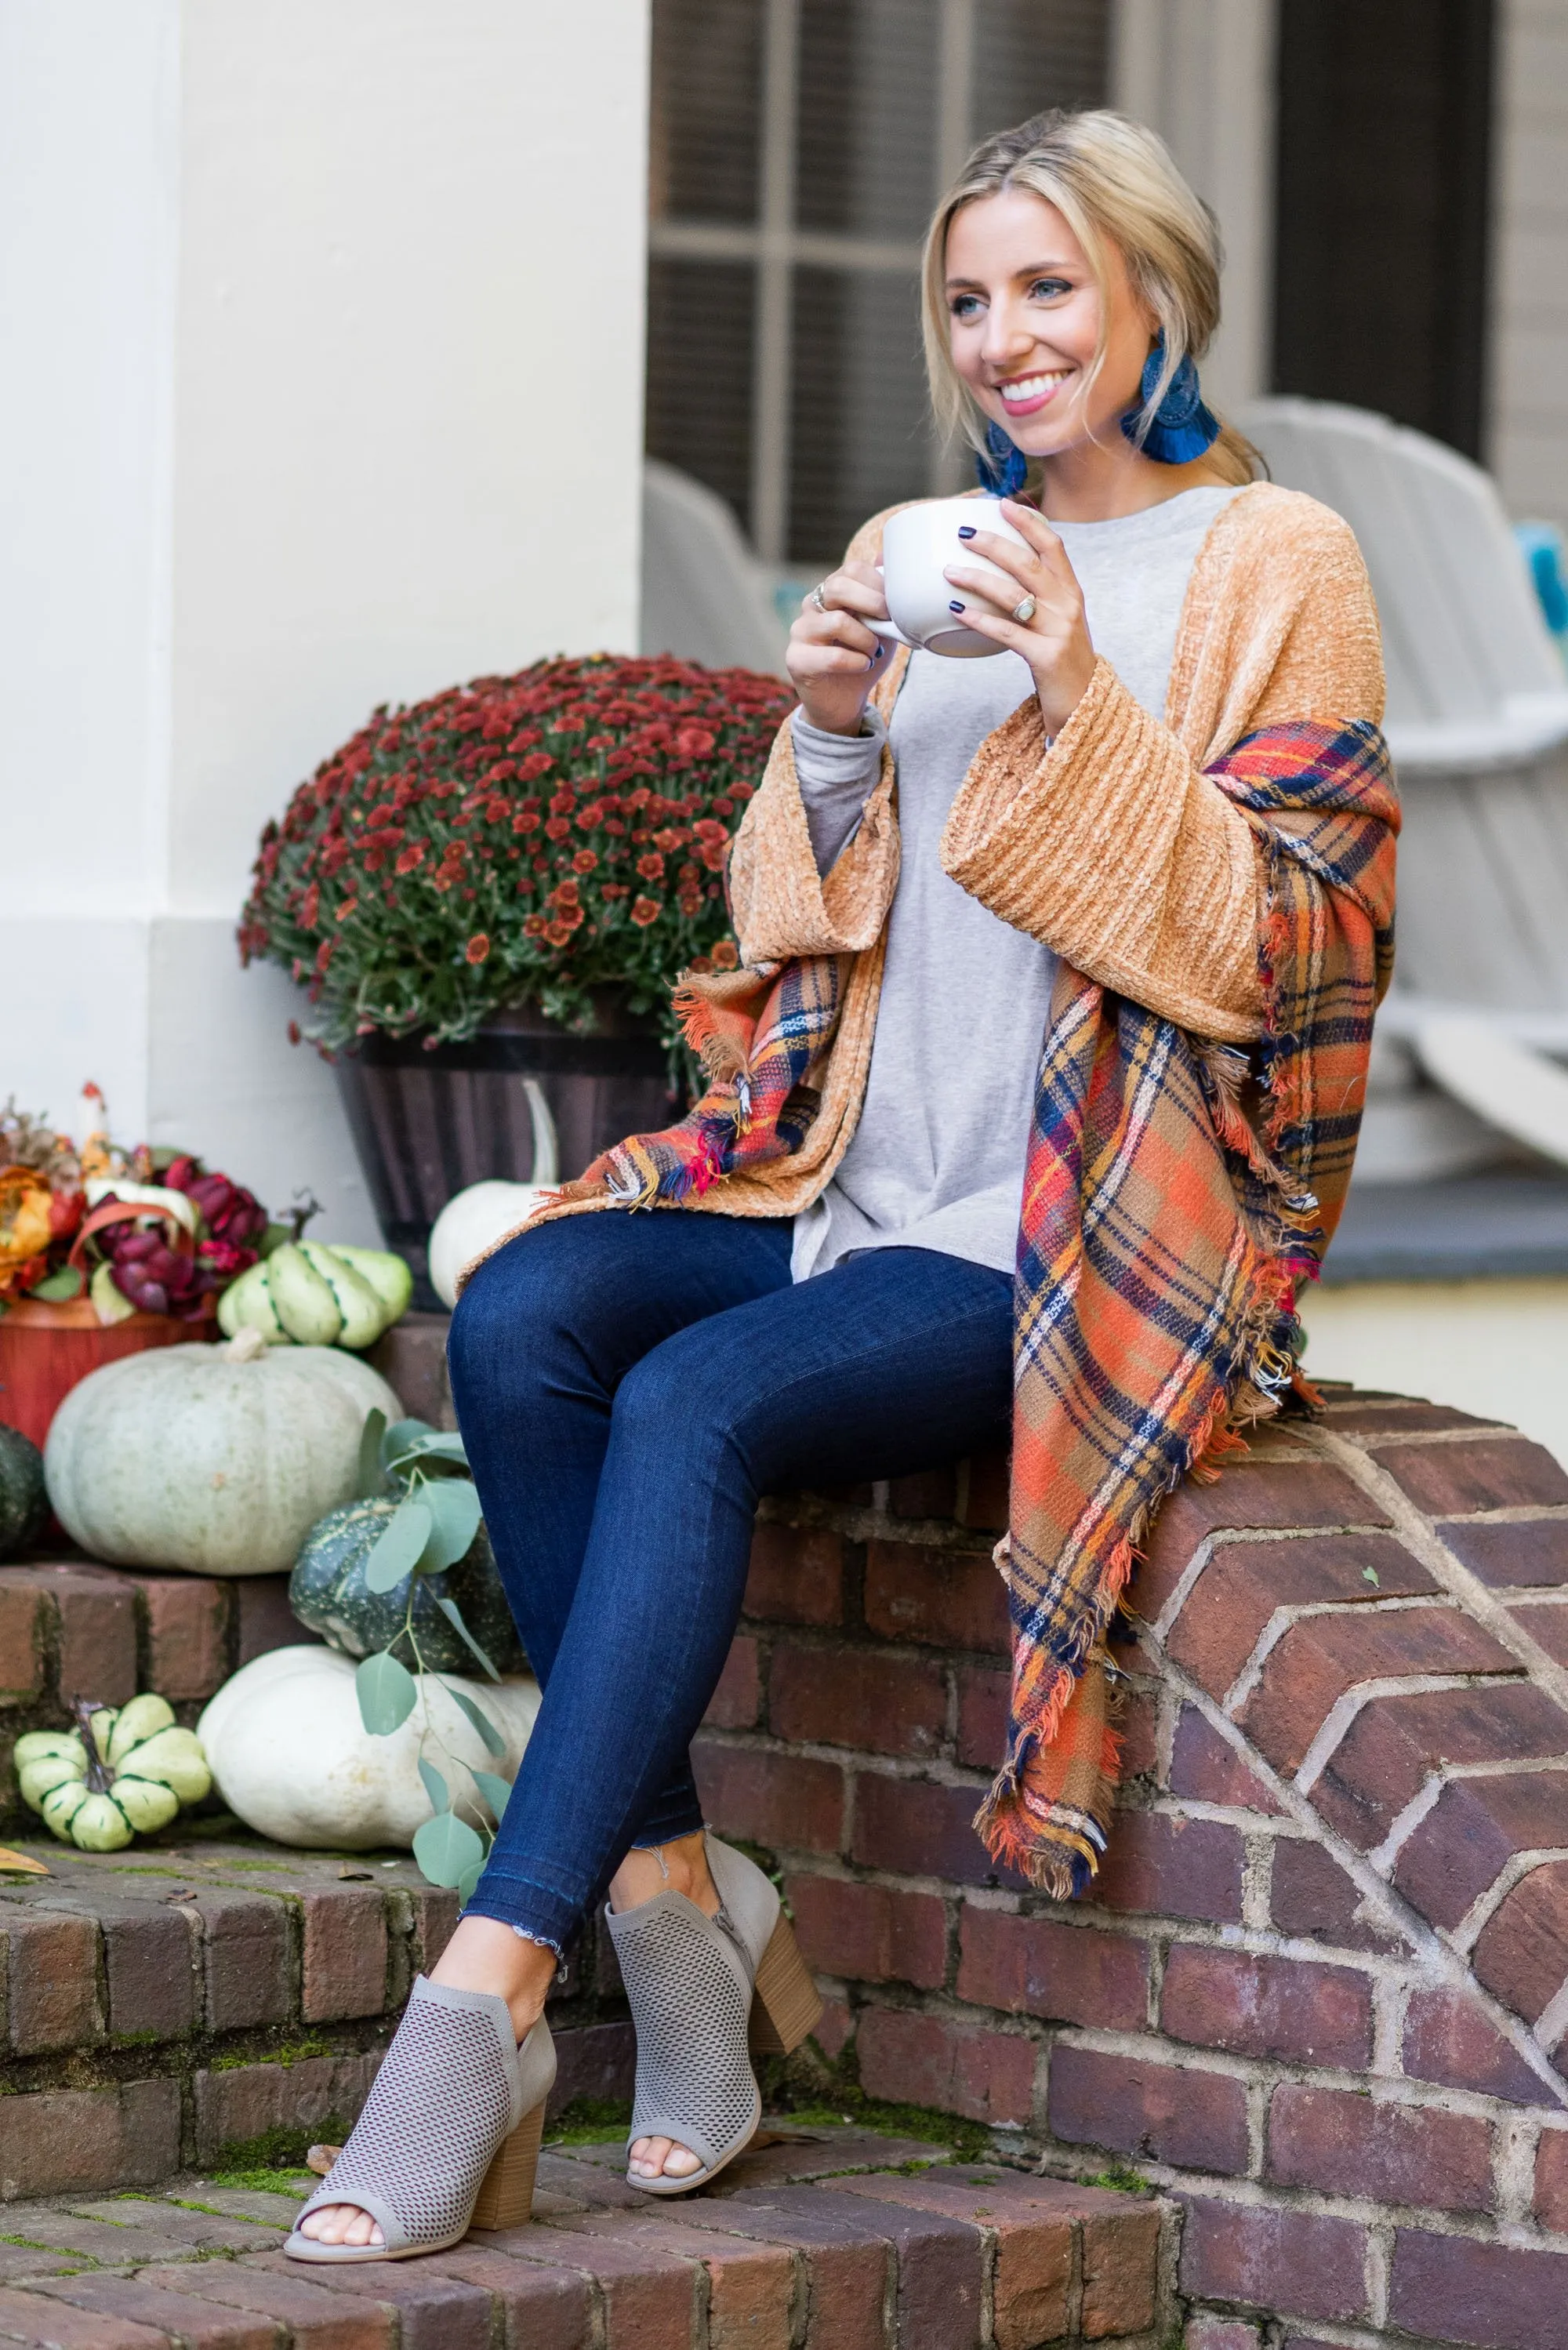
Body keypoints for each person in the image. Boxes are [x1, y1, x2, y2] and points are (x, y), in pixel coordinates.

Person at [288, 105, 1394, 2263]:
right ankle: (677, 1913)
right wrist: (819, 735)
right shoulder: (935, 541)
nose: (1004, 337)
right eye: (969, 300)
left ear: (1156, 291)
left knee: (691, 1402)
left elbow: (1282, 947)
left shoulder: (1279, 566)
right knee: (523, 1315)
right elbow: (806, 936)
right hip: (851, 1183)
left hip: (1073, 1237)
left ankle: (482, 2004)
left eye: (1048, 287)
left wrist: (1081, 683)